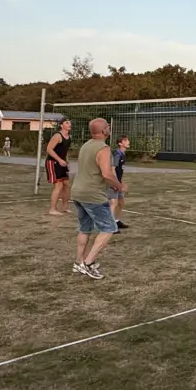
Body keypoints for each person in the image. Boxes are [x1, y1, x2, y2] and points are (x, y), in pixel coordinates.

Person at [70, 118, 126, 280]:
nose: (110, 128)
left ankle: (78, 262)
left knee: (85, 228)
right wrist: (119, 186)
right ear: (103, 131)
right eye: (108, 127)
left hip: (78, 192)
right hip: (92, 195)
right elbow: (107, 174)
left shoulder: (86, 145)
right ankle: (87, 263)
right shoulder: (103, 148)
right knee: (109, 228)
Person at [46, 119, 73, 216]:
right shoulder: (57, 136)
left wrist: (66, 161)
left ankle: (65, 207)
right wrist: (59, 160)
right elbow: (49, 149)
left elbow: (65, 151)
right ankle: (52, 209)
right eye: (66, 123)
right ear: (61, 125)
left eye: (69, 122)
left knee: (66, 185)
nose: (69, 124)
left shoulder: (69, 137)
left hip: (62, 163)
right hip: (53, 162)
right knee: (58, 185)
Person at [107, 135, 130, 231]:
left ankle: (116, 221)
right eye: (125, 140)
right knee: (114, 202)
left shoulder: (123, 154)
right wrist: (116, 183)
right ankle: (109, 227)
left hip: (118, 181)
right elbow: (112, 170)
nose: (128, 141)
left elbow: (119, 171)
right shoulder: (117, 154)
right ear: (120, 143)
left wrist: (121, 182)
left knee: (121, 202)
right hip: (113, 182)